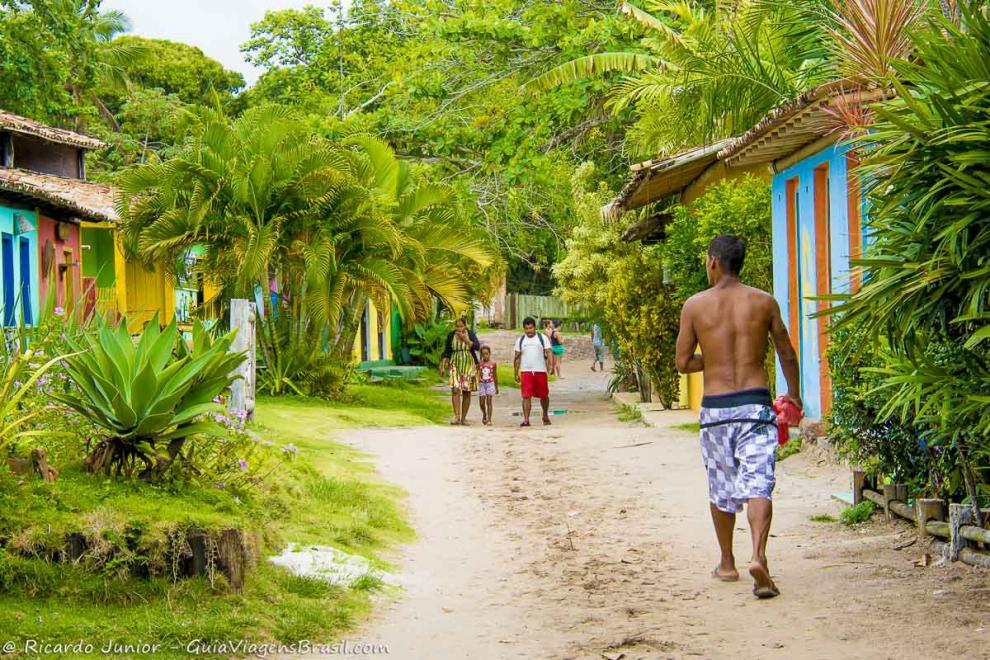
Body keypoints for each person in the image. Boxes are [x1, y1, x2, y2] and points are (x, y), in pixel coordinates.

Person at [675, 234, 801, 600]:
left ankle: (727, 563)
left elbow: (683, 363)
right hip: (755, 405)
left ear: (714, 261)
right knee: (759, 483)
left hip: (715, 410)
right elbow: (786, 352)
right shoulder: (763, 302)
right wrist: (792, 395)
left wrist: (712, 359)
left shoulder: (695, 306)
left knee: (721, 487)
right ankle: (759, 556)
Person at [439, 317, 481, 425]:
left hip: (468, 364)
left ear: (465, 326)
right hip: (455, 363)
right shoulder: (451, 335)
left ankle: (464, 418)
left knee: (467, 391)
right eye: (457, 326)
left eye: (461, 326)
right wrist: (443, 365)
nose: (459, 329)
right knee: (455, 389)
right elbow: (447, 351)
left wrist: (465, 339)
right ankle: (456, 416)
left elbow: (477, 347)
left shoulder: (470, 334)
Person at [514, 317, 551, 427]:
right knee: (526, 396)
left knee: (544, 395)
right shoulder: (520, 341)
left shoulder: (542, 338)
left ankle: (545, 415)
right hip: (526, 371)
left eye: (531, 328)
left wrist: (551, 366)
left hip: (540, 370)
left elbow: (549, 352)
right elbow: (516, 357)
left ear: (534, 327)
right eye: (526, 328)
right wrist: (515, 372)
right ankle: (526, 419)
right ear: (524, 329)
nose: (529, 331)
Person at [477, 345, 499, 425]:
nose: (485, 355)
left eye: (487, 354)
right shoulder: (479, 364)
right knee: (482, 402)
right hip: (482, 384)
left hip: (490, 384)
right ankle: (484, 414)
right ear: (481, 355)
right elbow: (477, 374)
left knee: (489, 401)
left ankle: (489, 419)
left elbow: (495, 376)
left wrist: (496, 387)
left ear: (489, 353)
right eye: (483, 354)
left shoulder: (493, 363)